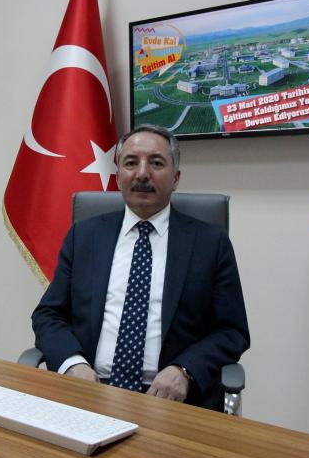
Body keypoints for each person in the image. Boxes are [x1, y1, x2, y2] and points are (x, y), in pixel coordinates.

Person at [31, 125, 249, 408]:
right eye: (131, 163)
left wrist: (185, 370)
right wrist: (73, 364)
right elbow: (48, 315)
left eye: (156, 163)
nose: (142, 174)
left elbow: (232, 331)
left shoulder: (210, 243)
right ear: (118, 176)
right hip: (90, 391)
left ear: (176, 178)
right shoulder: (84, 236)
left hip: (173, 401)